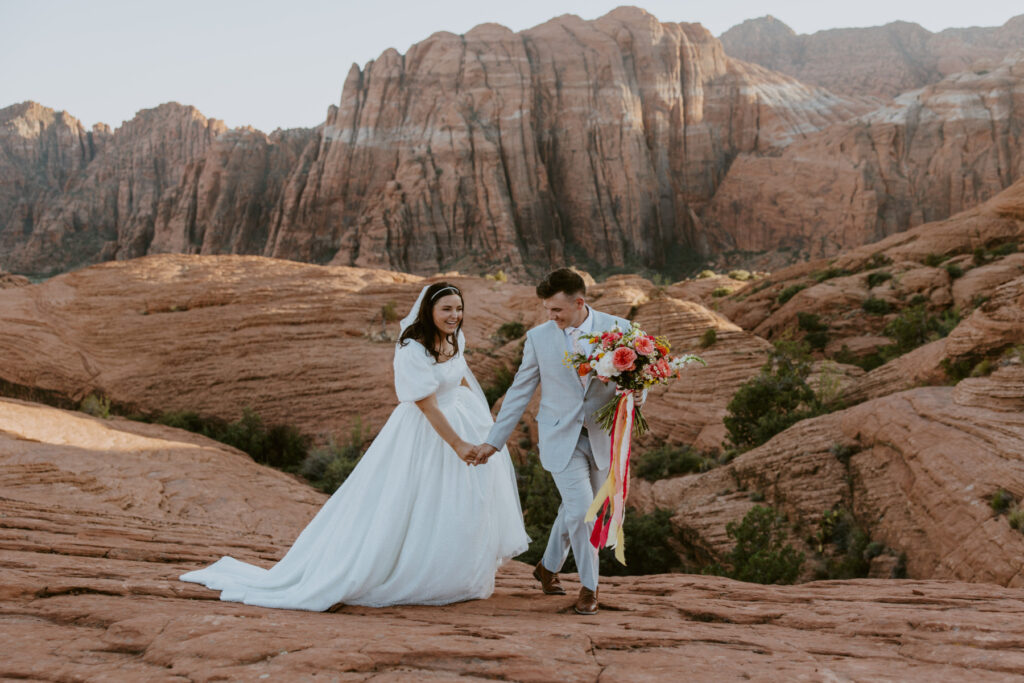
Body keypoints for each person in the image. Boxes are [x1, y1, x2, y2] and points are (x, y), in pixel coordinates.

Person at [179, 282, 529, 611]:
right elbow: (427, 405)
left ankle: (456, 572)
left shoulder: (455, 338)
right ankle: (404, 570)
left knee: (460, 499)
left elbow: (462, 373)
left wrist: (482, 421)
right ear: (428, 310)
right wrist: (458, 443)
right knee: (411, 500)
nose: (454, 315)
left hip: (461, 416)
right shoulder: (412, 347)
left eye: (459, 309)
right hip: (426, 431)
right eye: (446, 309)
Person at [471, 268, 629, 615]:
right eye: (547, 310)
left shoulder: (620, 329)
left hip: (603, 437)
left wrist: (636, 397)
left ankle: (547, 567)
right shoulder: (538, 338)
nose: (550, 316)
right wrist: (493, 442)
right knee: (584, 511)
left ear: (579, 303)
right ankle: (589, 588)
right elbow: (518, 392)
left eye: (556, 310)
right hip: (560, 436)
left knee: (574, 508)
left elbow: (636, 384)